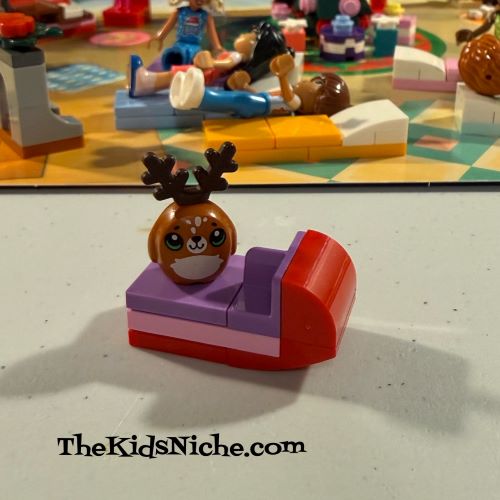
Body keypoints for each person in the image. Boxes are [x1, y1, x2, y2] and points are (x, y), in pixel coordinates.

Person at [128, 21, 292, 97]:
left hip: (206, 76)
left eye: (250, 36)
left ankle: (145, 82)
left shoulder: (238, 56)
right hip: (207, 75)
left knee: (175, 76)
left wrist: (212, 62)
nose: (243, 35)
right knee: (175, 77)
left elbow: (226, 64)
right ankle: (146, 82)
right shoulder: (240, 59)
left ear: (256, 47)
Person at [169, 52, 351, 118]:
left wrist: (282, 76)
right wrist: (247, 88)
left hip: (262, 106)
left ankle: (200, 97)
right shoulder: (290, 92)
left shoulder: (296, 104)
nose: (307, 81)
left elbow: (288, 98)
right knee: (235, 98)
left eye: (316, 84)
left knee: (237, 100)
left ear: (318, 101)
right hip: (259, 101)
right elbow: (270, 93)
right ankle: (194, 99)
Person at [150, 0, 224, 72]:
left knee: (196, 60)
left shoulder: (206, 16)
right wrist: (160, 37)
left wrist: (218, 47)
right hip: (179, 44)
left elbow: (212, 32)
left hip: (195, 47)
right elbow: (169, 25)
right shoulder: (179, 12)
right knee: (173, 54)